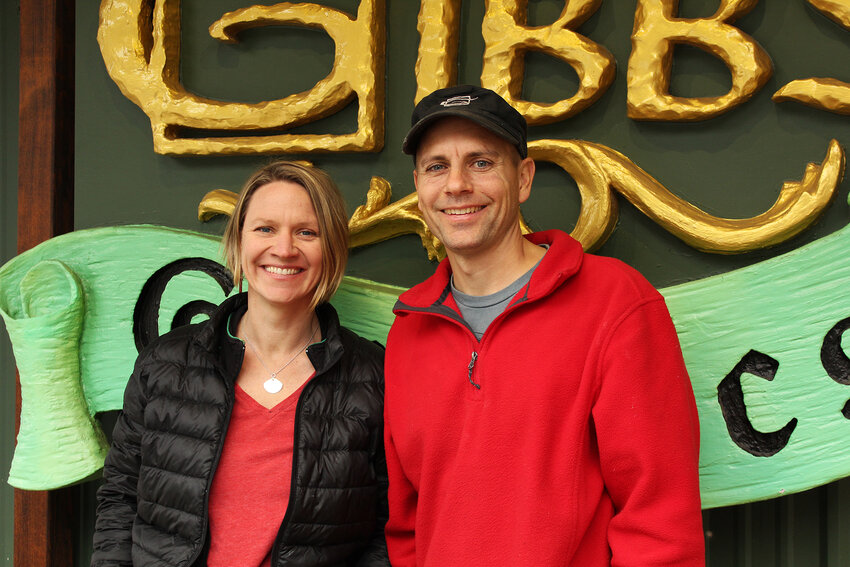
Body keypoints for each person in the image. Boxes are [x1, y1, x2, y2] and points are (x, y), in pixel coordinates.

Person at [383, 85, 704, 566]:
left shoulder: (615, 301)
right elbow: (407, 523)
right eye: (437, 166)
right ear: (420, 188)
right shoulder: (408, 330)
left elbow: (660, 514)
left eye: (481, 162)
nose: (456, 185)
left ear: (524, 178)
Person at [92, 161, 389, 566]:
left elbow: (386, 527)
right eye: (265, 228)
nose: (284, 249)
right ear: (238, 241)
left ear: (332, 249)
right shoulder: (166, 363)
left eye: (307, 232)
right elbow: (120, 498)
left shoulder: (373, 377)